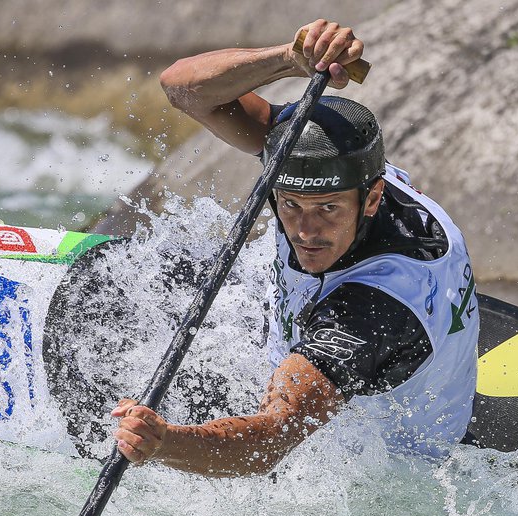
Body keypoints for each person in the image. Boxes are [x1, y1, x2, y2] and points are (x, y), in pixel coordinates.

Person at [112, 19, 479, 476]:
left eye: (327, 208)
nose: (305, 230)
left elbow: (268, 443)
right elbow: (183, 87)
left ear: (372, 198)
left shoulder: (374, 310)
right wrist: (289, 57)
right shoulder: (349, 166)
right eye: (291, 205)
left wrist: (165, 444)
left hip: (383, 475)